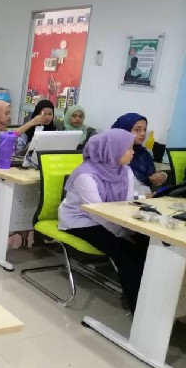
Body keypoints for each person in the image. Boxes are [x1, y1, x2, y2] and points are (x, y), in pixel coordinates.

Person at [59, 129, 149, 312]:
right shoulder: (86, 175)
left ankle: (147, 298)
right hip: (81, 221)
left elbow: (126, 204)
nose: (133, 152)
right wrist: (123, 232)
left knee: (146, 245)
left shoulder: (125, 171)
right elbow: (97, 213)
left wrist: (131, 229)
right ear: (112, 150)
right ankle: (138, 309)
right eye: (128, 148)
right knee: (124, 252)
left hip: (112, 219)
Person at [111, 112, 167, 195]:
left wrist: (162, 176)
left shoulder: (142, 152)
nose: (143, 133)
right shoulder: (112, 153)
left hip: (144, 197)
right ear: (124, 130)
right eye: (137, 130)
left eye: (144, 129)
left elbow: (151, 176)